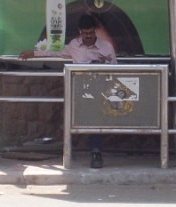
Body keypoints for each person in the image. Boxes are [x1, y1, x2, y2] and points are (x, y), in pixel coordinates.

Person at [20, 13, 116, 168]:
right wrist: (33, 54)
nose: (89, 36)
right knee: (71, 118)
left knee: (94, 117)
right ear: (80, 32)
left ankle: (95, 151)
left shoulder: (106, 47)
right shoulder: (74, 45)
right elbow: (54, 52)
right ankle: (70, 151)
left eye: (91, 33)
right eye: (85, 33)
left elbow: (115, 70)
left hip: (100, 91)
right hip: (79, 90)